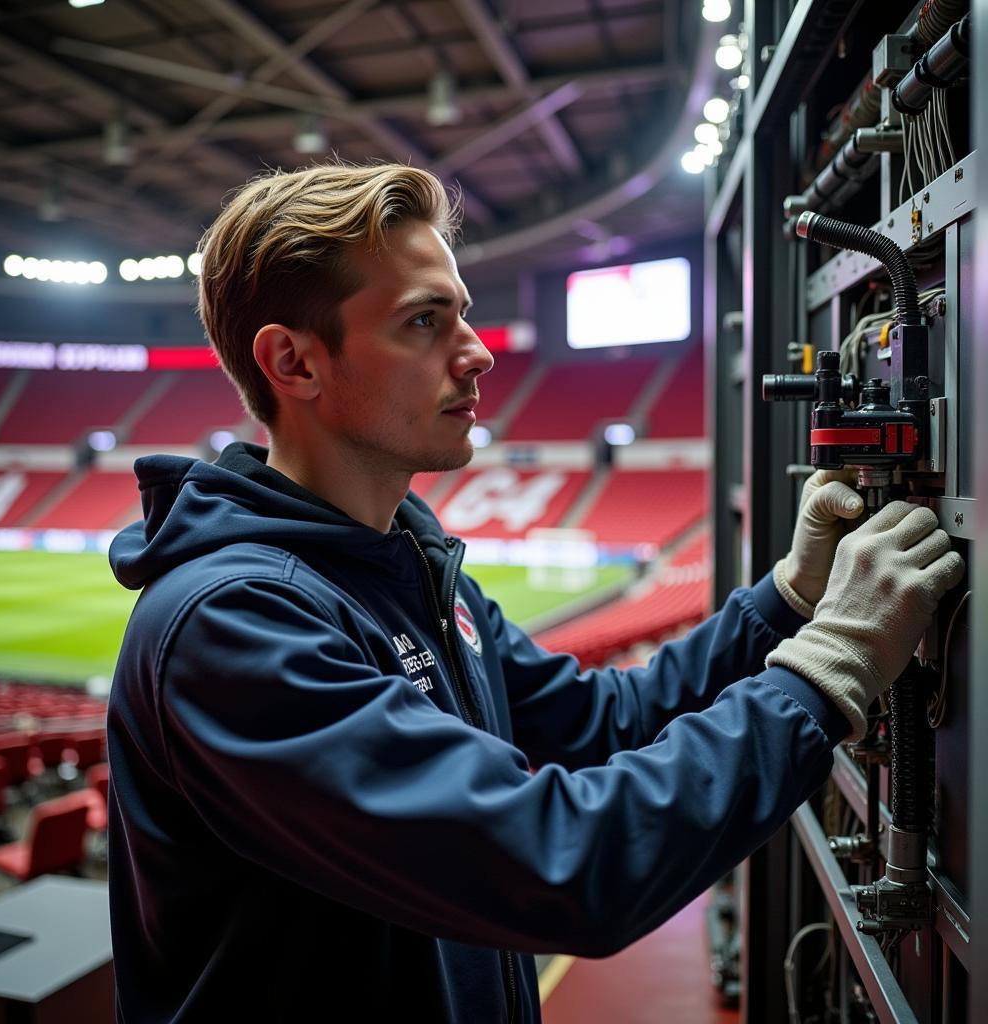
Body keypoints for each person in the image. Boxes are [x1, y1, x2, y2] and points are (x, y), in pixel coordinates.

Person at [107, 162, 963, 1023]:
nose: (478, 352)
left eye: (463, 313)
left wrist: (787, 600)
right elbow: (562, 863)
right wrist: (831, 666)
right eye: (423, 322)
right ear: (294, 362)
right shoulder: (230, 625)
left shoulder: (410, 561)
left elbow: (604, 724)